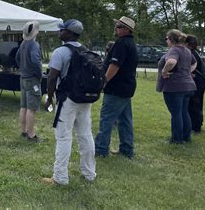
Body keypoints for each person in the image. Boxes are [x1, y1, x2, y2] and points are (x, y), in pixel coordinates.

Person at [43, 19, 96, 185]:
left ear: (70, 33)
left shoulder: (61, 52)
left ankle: (60, 177)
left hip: (67, 99)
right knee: (85, 135)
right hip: (85, 99)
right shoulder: (86, 50)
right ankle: (89, 173)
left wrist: (49, 97)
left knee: (63, 137)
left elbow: (52, 78)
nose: (60, 32)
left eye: (62, 30)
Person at [95, 16, 138, 159]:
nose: (116, 28)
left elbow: (114, 65)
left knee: (106, 119)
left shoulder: (120, 44)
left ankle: (100, 150)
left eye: (119, 26)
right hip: (126, 87)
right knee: (125, 120)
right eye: (116, 26)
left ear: (127, 29)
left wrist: (104, 81)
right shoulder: (130, 43)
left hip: (116, 88)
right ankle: (127, 149)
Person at [157, 29, 196, 144]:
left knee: (176, 113)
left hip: (175, 87)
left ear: (171, 39)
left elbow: (171, 62)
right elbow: (194, 63)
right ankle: (186, 137)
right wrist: (187, 72)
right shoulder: (187, 50)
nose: (166, 41)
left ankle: (176, 139)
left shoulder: (173, 50)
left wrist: (164, 71)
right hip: (188, 86)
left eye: (166, 39)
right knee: (184, 112)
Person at [15, 21, 42, 142]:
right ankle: (31, 135)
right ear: (36, 31)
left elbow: (16, 58)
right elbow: (36, 61)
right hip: (32, 79)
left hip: (23, 78)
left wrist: (22, 68)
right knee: (31, 108)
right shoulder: (34, 45)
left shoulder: (23, 44)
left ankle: (23, 131)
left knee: (23, 106)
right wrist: (39, 74)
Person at [185, 35, 205, 133]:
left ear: (187, 44)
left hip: (195, 81)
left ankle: (195, 126)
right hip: (201, 81)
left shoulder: (190, 53)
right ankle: (198, 123)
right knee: (199, 103)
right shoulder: (197, 52)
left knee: (193, 104)